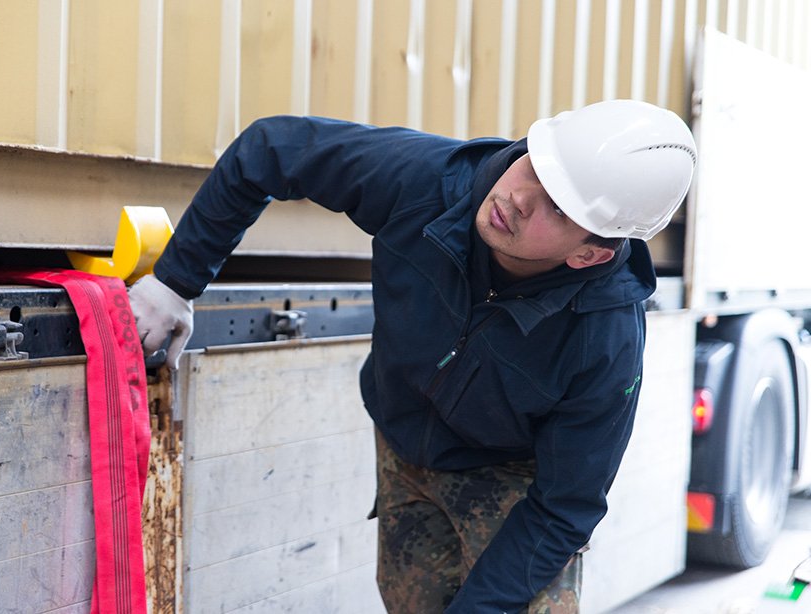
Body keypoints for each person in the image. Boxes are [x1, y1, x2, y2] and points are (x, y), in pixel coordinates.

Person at [128, 99, 697, 614]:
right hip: (402, 442)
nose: (519, 198)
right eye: (535, 167)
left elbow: (565, 506)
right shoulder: (424, 182)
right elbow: (270, 147)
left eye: (559, 209)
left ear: (590, 253)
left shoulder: (605, 337)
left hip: (511, 478)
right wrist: (176, 281)